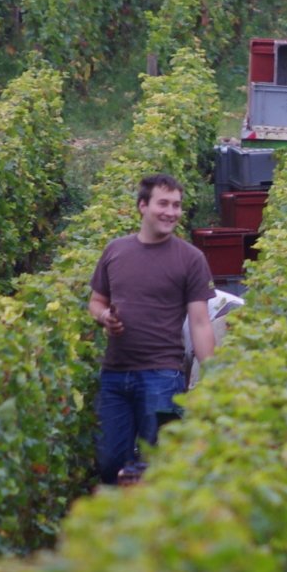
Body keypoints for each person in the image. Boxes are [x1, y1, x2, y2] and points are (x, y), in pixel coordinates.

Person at [88, 174, 216, 485]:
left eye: (177, 205)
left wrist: (213, 376)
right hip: (115, 375)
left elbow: (200, 323)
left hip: (161, 376)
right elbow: (96, 301)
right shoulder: (115, 251)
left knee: (156, 467)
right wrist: (104, 316)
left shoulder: (191, 259)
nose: (171, 212)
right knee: (109, 464)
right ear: (142, 206)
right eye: (163, 203)